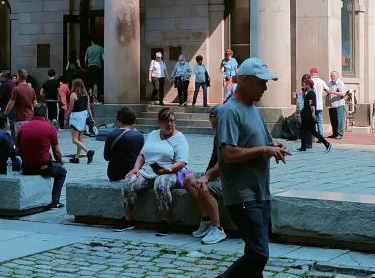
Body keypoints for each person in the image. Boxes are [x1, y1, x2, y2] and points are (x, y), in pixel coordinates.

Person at [216, 57, 291, 277]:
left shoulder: (254, 110)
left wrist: (274, 147)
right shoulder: (229, 111)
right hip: (242, 195)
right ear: (245, 80)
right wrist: (264, 150)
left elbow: (263, 143)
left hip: (260, 192)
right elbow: (228, 153)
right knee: (259, 253)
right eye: (261, 82)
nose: (265, 88)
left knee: (254, 252)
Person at [114, 108, 189, 236]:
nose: (169, 124)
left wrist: (168, 169)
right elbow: (142, 155)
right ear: (159, 123)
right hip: (147, 170)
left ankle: (165, 221)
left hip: (169, 171)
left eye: (171, 121)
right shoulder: (153, 134)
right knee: (128, 182)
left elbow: (182, 161)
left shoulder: (180, 138)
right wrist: (136, 168)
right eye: (166, 121)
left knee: (161, 184)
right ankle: (127, 219)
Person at [184, 109, 227, 245]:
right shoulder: (219, 133)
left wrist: (207, 177)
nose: (211, 123)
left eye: (213, 120)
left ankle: (217, 228)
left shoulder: (227, 134)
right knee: (188, 179)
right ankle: (206, 220)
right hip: (214, 173)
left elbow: (224, 162)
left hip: (227, 178)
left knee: (204, 187)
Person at [16, 104, 67, 209]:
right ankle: (55, 202)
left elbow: (17, 151)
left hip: (26, 168)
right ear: (46, 114)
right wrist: (60, 161)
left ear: (33, 113)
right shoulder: (50, 128)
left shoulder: (22, 127)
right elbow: (56, 152)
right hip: (43, 168)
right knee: (62, 172)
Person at [103, 106, 144, 182]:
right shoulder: (139, 136)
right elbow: (142, 156)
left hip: (114, 174)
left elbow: (107, 157)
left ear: (119, 119)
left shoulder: (110, 135)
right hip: (132, 173)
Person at [298, 77, 332, 152]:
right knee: (312, 132)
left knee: (304, 131)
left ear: (308, 85)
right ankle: (326, 144)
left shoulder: (311, 94)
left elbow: (312, 105)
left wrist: (313, 114)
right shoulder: (309, 93)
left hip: (308, 116)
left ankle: (304, 147)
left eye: (304, 85)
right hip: (307, 115)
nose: (303, 86)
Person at [66, 78, 95, 164]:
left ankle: (88, 151)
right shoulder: (86, 95)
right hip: (84, 116)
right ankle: (77, 157)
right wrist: (92, 118)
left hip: (76, 116)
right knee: (80, 138)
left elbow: (70, 108)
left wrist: (66, 116)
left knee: (74, 140)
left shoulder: (73, 95)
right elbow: (88, 108)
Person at [4, 69, 36, 136]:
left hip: (20, 117)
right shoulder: (31, 89)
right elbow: (35, 104)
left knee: (20, 138)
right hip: (30, 117)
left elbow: (11, 103)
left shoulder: (16, 89)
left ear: (18, 77)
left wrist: (5, 114)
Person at [326, 71, 346, 139]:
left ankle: (340, 133)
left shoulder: (340, 83)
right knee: (333, 120)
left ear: (337, 76)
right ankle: (334, 133)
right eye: (331, 76)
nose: (332, 77)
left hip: (339, 104)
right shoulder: (330, 83)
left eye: (334, 76)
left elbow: (343, 93)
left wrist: (334, 92)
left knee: (339, 120)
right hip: (332, 104)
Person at [308, 68, 328, 138]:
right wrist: (322, 96)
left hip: (311, 104)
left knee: (312, 121)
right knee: (319, 121)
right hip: (319, 104)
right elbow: (328, 90)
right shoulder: (321, 81)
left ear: (311, 73)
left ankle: (313, 136)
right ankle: (320, 136)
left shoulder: (310, 81)